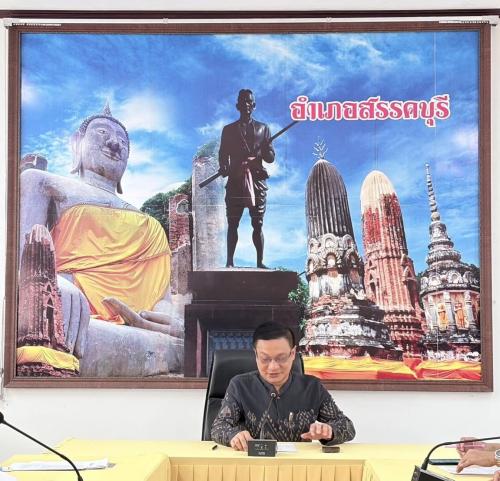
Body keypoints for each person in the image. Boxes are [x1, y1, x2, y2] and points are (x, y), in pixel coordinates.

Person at [20, 104, 183, 355]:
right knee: (53, 328)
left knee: (180, 347)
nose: (115, 144)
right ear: (77, 143)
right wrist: (52, 284)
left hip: (140, 330)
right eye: (102, 132)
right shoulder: (41, 182)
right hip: (69, 306)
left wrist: (173, 319)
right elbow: (21, 263)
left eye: (123, 142)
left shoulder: (151, 224)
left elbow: (162, 299)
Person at [210, 321, 355, 450]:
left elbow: (347, 426)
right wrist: (233, 435)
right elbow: (218, 427)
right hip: (253, 463)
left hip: (296, 466)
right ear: (256, 355)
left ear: (293, 353)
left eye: (281, 358)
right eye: (265, 359)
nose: (273, 367)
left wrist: (329, 431)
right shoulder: (240, 386)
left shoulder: (312, 387)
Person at [218, 89, 275, 268]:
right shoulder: (228, 130)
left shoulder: (263, 129)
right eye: (243, 101)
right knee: (233, 222)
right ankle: (229, 261)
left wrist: (265, 150)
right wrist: (224, 166)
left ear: (254, 105)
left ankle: (260, 261)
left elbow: (271, 157)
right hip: (235, 180)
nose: (246, 104)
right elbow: (223, 154)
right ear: (237, 105)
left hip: (257, 180)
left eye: (249, 101)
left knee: (257, 223)